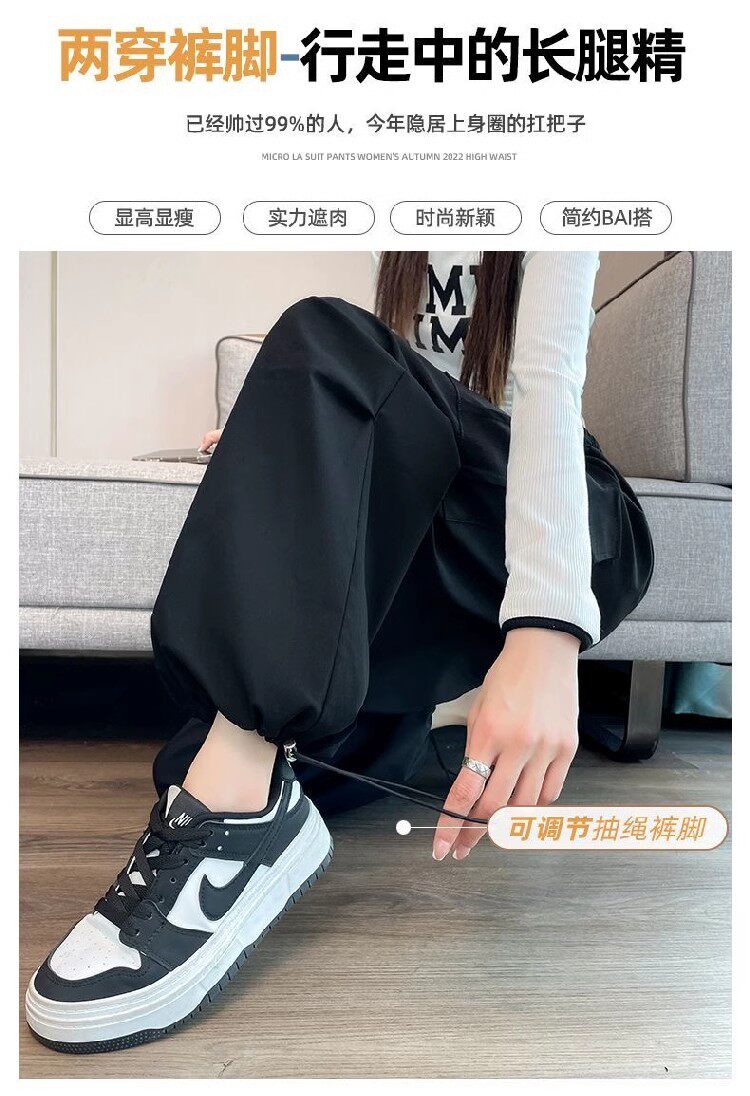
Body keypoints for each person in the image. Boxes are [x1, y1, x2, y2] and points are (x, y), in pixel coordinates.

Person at [26, 252, 653, 1053]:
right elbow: (406, 398)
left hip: (576, 513)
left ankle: (236, 816)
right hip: (449, 507)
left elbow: (548, 383)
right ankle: (309, 771)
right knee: (193, 760)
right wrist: (286, 435)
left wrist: (548, 625)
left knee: (321, 331)